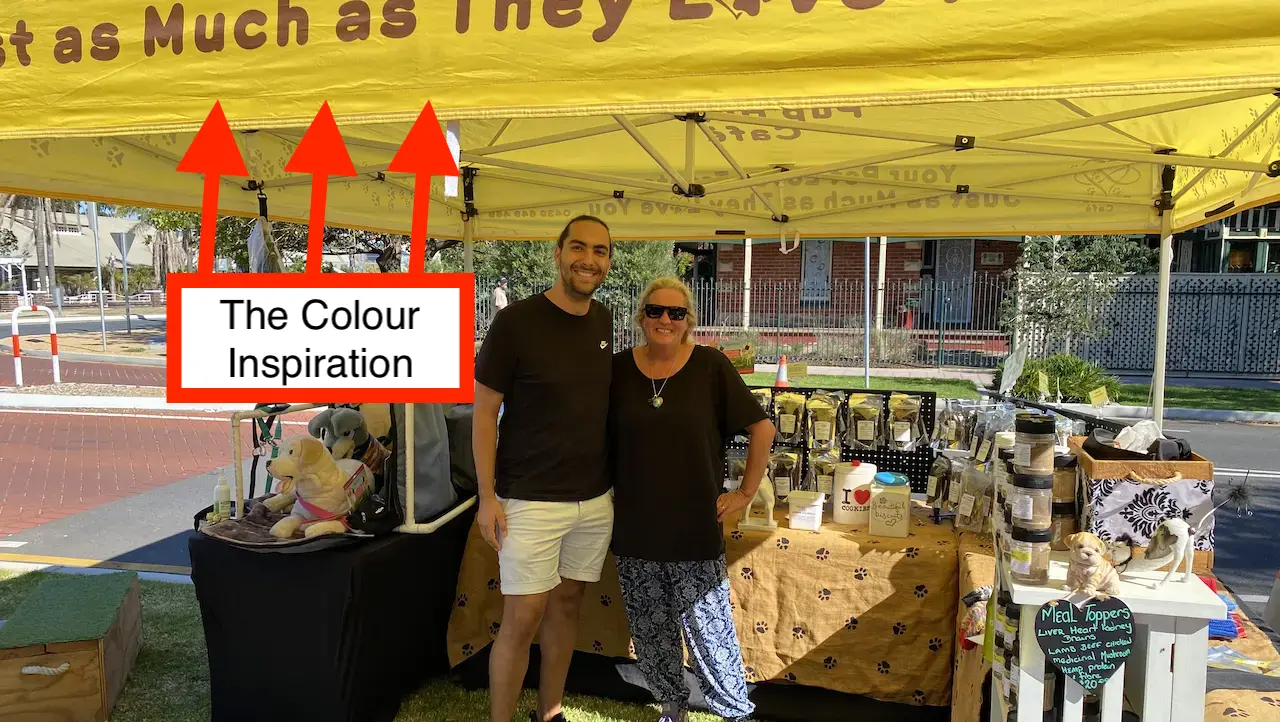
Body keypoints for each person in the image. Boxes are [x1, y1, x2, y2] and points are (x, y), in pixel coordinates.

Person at [608, 277, 774, 722]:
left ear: (689, 321)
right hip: (635, 527)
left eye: (677, 313)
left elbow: (763, 429)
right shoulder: (618, 369)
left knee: (710, 630)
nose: (666, 320)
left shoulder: (710, 367)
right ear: (642, 317)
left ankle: (735, 712)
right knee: (650, 630)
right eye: (657, 311)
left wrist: (743, 492)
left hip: (692, 527)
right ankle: (671, 706)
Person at [473, 216, 616, 722]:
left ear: (608, 261)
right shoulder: (515, 322)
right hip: (529, 499)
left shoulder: (605, 320)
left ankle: (549, 711)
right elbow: (485, 411)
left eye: (599, 251)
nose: (588, 259)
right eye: (578, 247)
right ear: (558, 253)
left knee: (568, 604)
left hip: (593, 500)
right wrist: (487, 495)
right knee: (523, 617)